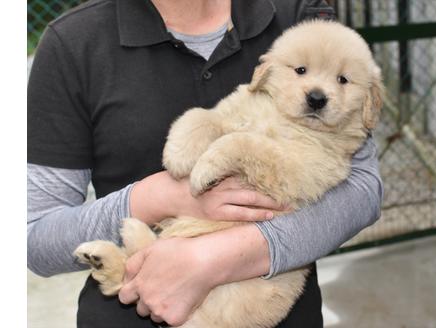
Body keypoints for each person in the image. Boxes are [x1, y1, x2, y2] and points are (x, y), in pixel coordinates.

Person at [27, 0, 383, 327]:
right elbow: (34, 237)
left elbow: (363, 191)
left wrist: (214, 259)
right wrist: (156, 197)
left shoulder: (296, 15)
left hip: (260, 308)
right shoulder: (73, 43)